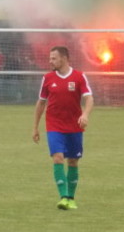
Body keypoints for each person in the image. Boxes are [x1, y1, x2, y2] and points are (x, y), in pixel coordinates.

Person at [32, 46, 94, 210]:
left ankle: (71, 198)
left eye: (53, 58)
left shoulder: (79, 77)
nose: (50, 61)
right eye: (50, 58)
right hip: (54, 125)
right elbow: (41, 103)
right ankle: (63, 197)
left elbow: (89, 99)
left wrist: (85, 115)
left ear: (64, 58)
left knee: (73, 161)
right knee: (58, 157)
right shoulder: (47, 78)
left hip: (74, 126)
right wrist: (35, 127)